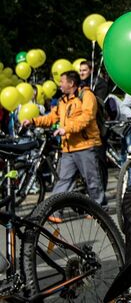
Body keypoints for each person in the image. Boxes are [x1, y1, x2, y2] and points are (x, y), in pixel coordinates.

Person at [22, 70, 106, 218]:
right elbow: (51, 117)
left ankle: (98, 210)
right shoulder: (63, 100)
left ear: (71, 83)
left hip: (86, 145)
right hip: (68, 148)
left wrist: (65, 129)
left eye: (62, 82)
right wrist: (34, 121)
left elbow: (87, 118)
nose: (59, 85)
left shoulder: (87, 96)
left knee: (92, 181)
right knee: (64, 181)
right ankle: (55, 211)